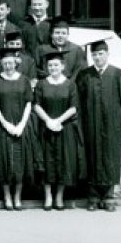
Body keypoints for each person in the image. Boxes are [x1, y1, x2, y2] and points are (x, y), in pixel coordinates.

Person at [77, 38, 121, 210]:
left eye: (101, 54)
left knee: (110, 156)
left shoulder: (118, 74)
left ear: (107, 54)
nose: (97, 57)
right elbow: (78, 102)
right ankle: (93, 195)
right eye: (94, 54)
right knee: (92, 156)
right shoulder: (84, 75)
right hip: (90, 124)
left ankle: (109, 195)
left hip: (112, 124)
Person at [31, 50, 83, 210]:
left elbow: (74, 107)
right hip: (46, 128)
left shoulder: (70, 84)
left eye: (56, 65)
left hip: (64, 128)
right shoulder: (42, 84)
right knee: (47, 161)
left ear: (62, 66)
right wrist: (48, 121)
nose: (53, 67)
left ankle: (59, 196)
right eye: (50, 65)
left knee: (63, 162)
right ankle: (48, 196)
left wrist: (58, 121)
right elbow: (36, 105)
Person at [0, 44, 35, 210]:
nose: (8, 65)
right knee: (5, 163)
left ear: (16, 62)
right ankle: (7, 197)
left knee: (19, 163)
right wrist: (5, 124)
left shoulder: (24, 80)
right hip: (2, 125)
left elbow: (29, 103)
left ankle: (17, 197)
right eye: (5, 62)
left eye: (11, 62)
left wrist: (22, 124)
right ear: (1, 63)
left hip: (22, 126)